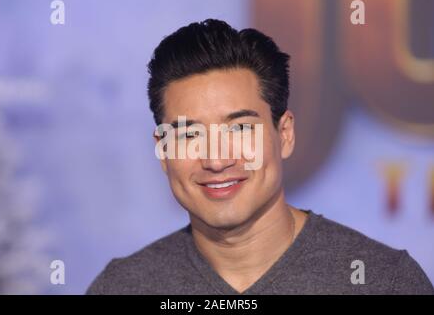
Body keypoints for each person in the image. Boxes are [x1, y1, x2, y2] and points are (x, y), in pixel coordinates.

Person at [87, 19, 433, 294]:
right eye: (189, 135)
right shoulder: (123, 287)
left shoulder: (383, 283)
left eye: (240, 130)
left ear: (284, 135)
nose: (217, 160)